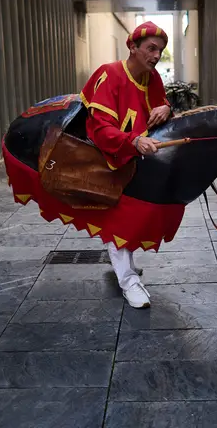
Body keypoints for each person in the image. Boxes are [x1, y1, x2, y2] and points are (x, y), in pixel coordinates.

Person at [79, 21, 173, 309]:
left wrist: (166, 107)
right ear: (132, 47)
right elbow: (99, 129)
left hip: (138, 160)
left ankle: (127, 267)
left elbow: (160, 103)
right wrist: (133, 142)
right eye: (151, 49)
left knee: (135, 214)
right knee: (120, 218)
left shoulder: (152, 76)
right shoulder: (109, 75)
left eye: (160, 50)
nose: (156, 56)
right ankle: (128, 280)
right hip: (108, 158)